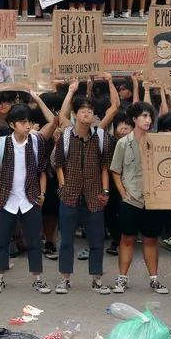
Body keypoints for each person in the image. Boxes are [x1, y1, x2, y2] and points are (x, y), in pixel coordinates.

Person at [53, 96, 111, 295]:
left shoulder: (101, 137)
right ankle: (64, 280)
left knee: (97, 240)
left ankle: (96, 280)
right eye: (83, 111)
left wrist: (105, 191)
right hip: (69, 195)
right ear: (75, 115)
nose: (87, 114)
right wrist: (63, 187)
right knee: (67, 241)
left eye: (90, 111)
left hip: (94, 196)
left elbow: (105, 166)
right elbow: (58, 164)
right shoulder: (66, 137)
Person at [0, 103, 49, 294]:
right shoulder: (3, 143)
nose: (27, 125)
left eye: (29, 121)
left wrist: (42, 194)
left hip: (31, 198)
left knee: (34, 240)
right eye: (23, 122)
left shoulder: (37, 141)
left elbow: (42, 172)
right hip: (7, 198)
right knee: (2, 241)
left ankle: (37, 279)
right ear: (12, 125)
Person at [110, 101, 168, 295]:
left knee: (151, 240)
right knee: (127, 239)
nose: (148, 120)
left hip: (152, 200)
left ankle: (154, 279)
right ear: (134, 119)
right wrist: (123, 193)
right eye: (144, 116)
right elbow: (116, 171)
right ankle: (122, 278)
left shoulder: (156, 142)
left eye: (150, 116)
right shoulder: (122, 143)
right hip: (130, 199)